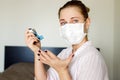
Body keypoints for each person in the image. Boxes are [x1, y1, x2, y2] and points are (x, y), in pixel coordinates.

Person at [25, 0, 109, 80]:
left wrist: (62, 70)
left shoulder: (92, 58)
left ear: (87, 23)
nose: (68, 27)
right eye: (63, 23)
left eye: (75, 21)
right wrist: (37, 50)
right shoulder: (65, 53)